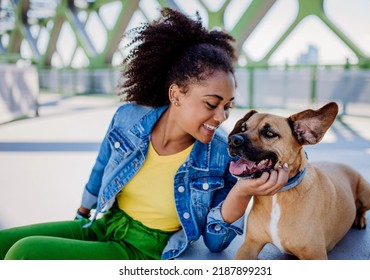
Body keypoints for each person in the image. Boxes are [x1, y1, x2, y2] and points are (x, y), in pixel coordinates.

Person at [0, 8, 289, 260]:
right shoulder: (129, 118)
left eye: (227, 106)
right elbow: (101, 166)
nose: (222, 116)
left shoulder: (221, 153)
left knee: (25, 254)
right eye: (212, 104)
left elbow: (215, 243)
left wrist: (241, 193)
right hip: (106, 223)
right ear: (176, 94)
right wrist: (83, 214)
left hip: (143, 249)